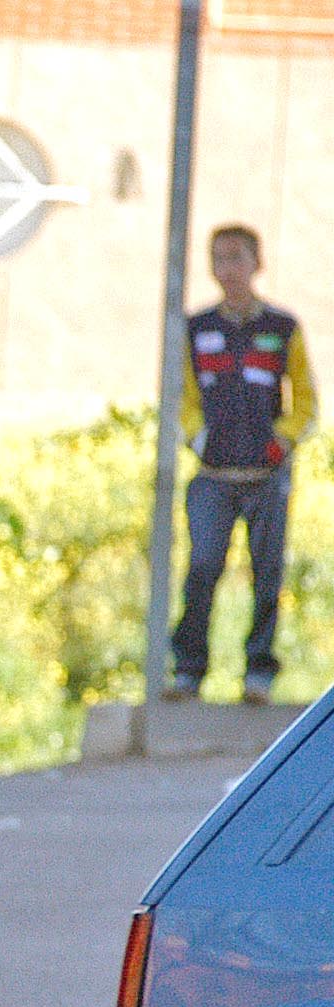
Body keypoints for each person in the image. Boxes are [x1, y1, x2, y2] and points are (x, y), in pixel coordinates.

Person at [167, 222, 315, 704]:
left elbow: (306, 401)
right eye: (219, 258)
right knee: (202, 567)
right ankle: (188, 670)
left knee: (267, 574)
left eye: (237, 257)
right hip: (213, 477)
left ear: (257, 263)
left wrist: (281, 442)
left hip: (266, 477)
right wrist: (198, 437)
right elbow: (182, 397)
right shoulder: (197, 328)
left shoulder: (282, 327)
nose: (228, 268)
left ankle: (259, 673)